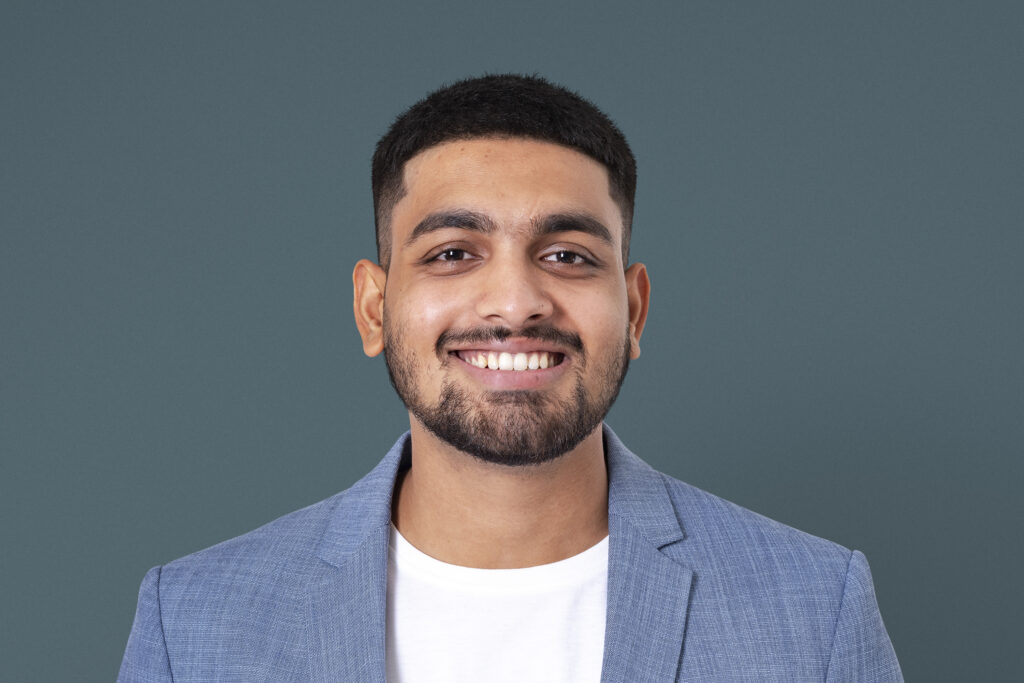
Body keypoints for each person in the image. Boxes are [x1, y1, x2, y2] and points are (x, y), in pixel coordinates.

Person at [118, 74, 902, 682]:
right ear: (372, 306)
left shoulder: (813, 608)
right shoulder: (193, 623)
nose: (516, 302)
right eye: (454, 252)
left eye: (567, 255)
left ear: (632, 310)